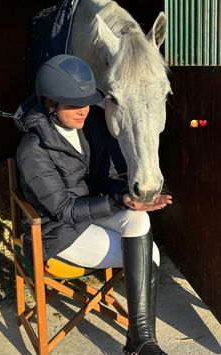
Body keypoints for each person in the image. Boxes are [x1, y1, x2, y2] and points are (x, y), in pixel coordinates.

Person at [15, 54, 172, 355]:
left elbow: (108, 176)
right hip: (60, 233)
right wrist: (119, 201)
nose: (84, 110)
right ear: (51, 103)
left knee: (140, 224)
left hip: (93, 213)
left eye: (86, 100)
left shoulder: (91, 125)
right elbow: (63, 209)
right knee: (147, 253)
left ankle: (142, 340)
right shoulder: (32, 150)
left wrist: (130, 197)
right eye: (73, 104)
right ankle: (141, 343)